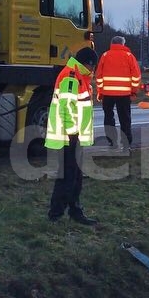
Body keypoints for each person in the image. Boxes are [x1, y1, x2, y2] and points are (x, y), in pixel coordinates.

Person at [46, 46, 98, 225]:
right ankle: (56, 213)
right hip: (69, 137)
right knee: (67, 177)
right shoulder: (72, 77)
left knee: (75, 176)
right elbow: (66, 108)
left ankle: (74, 211)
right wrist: (72, 134)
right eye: (94, 66)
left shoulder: (78, 76)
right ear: (88, 64)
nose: (94, 70)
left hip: (74, 136)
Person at [94, 35, 142, 153]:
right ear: (123, 44)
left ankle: (112, 142)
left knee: (108, 118)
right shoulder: (129, 56)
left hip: (107, 94)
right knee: (125, 119)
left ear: (112, 43)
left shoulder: (105, 56)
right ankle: (126, 145)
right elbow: (136, 76)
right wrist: (133, 90)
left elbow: (98, 76)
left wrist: (100, 92)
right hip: (124, 94)